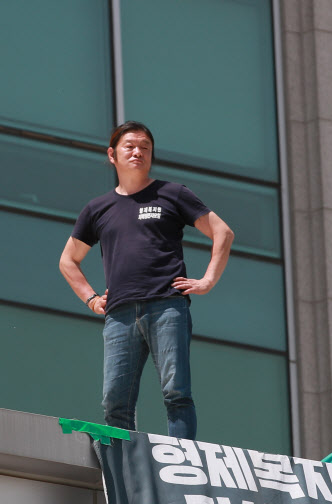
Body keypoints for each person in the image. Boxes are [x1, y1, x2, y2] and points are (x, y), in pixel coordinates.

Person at [59, 120, 234, 440]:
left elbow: (222, 231)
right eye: (130, 146)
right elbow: (68, 260)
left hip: (167, 305)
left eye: (145, 147)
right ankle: (126, 470)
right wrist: (91, 298)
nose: (138, 152)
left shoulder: (172, 194)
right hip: (119, 314)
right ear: (112, 154)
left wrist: (207, 280)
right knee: (114, 402)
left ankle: (182, 462)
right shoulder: (98, 209)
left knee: (176, 392)